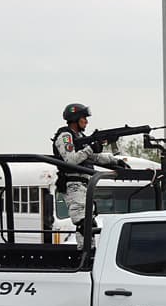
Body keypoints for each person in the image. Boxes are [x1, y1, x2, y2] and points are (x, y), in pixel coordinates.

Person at [52, 103, 127, 248]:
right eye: (84, 118)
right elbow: (71, 160)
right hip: (73, 184)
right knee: (83, 223)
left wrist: (115, 160)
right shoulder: (65, 136)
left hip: (85, 184)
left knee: (89, 222)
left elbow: (94, 157)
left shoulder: (80, 137)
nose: (86, 121)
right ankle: (85, 254)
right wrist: (91, 148)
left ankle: (89, 251)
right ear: (75, 119)